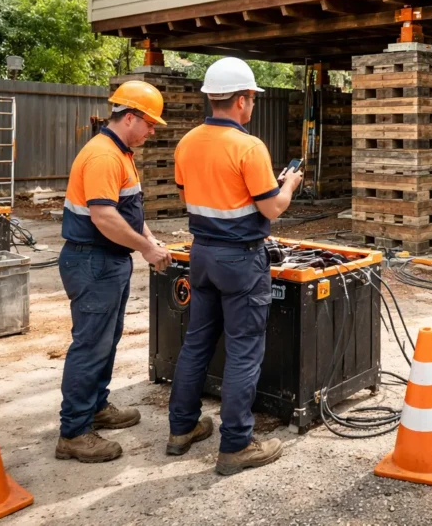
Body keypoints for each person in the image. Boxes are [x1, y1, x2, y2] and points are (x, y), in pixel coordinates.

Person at [166, 58, 303, 475]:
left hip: (202, 254)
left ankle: (181, 429)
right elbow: (272, 208)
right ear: (242, 100)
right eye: (252, 99)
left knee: (197, 342)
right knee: (244, 351)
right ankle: (236, 445)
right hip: (241, 260)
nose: (252, 106)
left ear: (212, 97)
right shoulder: (249, 147)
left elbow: (189, 192)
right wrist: (289, 185)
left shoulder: (187, 142)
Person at [56, 81, 172, 463]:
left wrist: (149, 243)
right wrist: (145, 248)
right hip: (93, 261)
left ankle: (96, 407)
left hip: (107, 261)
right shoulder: (104, 156)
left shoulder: (121, 153)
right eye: (150, 123)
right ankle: (73, 432)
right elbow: (104, 217)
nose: (152, 131)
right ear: (130, 117)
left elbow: (128, 213)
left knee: (106, 340)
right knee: (90, 345)